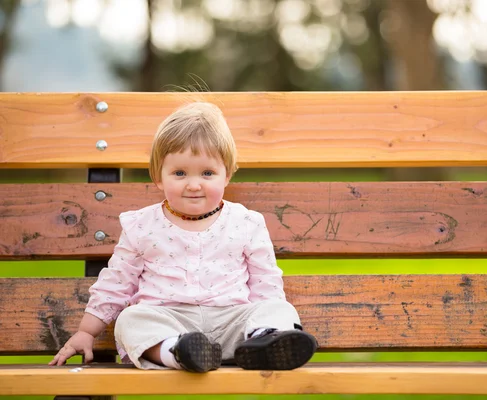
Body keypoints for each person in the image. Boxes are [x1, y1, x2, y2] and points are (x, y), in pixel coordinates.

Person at [49, 102, 317, 372]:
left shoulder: (246, 222)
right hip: (169, 321)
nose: (193, 184)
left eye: (207, 173)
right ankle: (177, 351)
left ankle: (263, 342)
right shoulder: (142, 226)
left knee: (279, 309)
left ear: (227, 175)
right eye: (179, 173)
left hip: (233, 323)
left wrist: (268, 315)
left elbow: (266, 282)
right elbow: (117, 282)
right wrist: (87, 332)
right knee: (130, 319)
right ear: (158, 177)